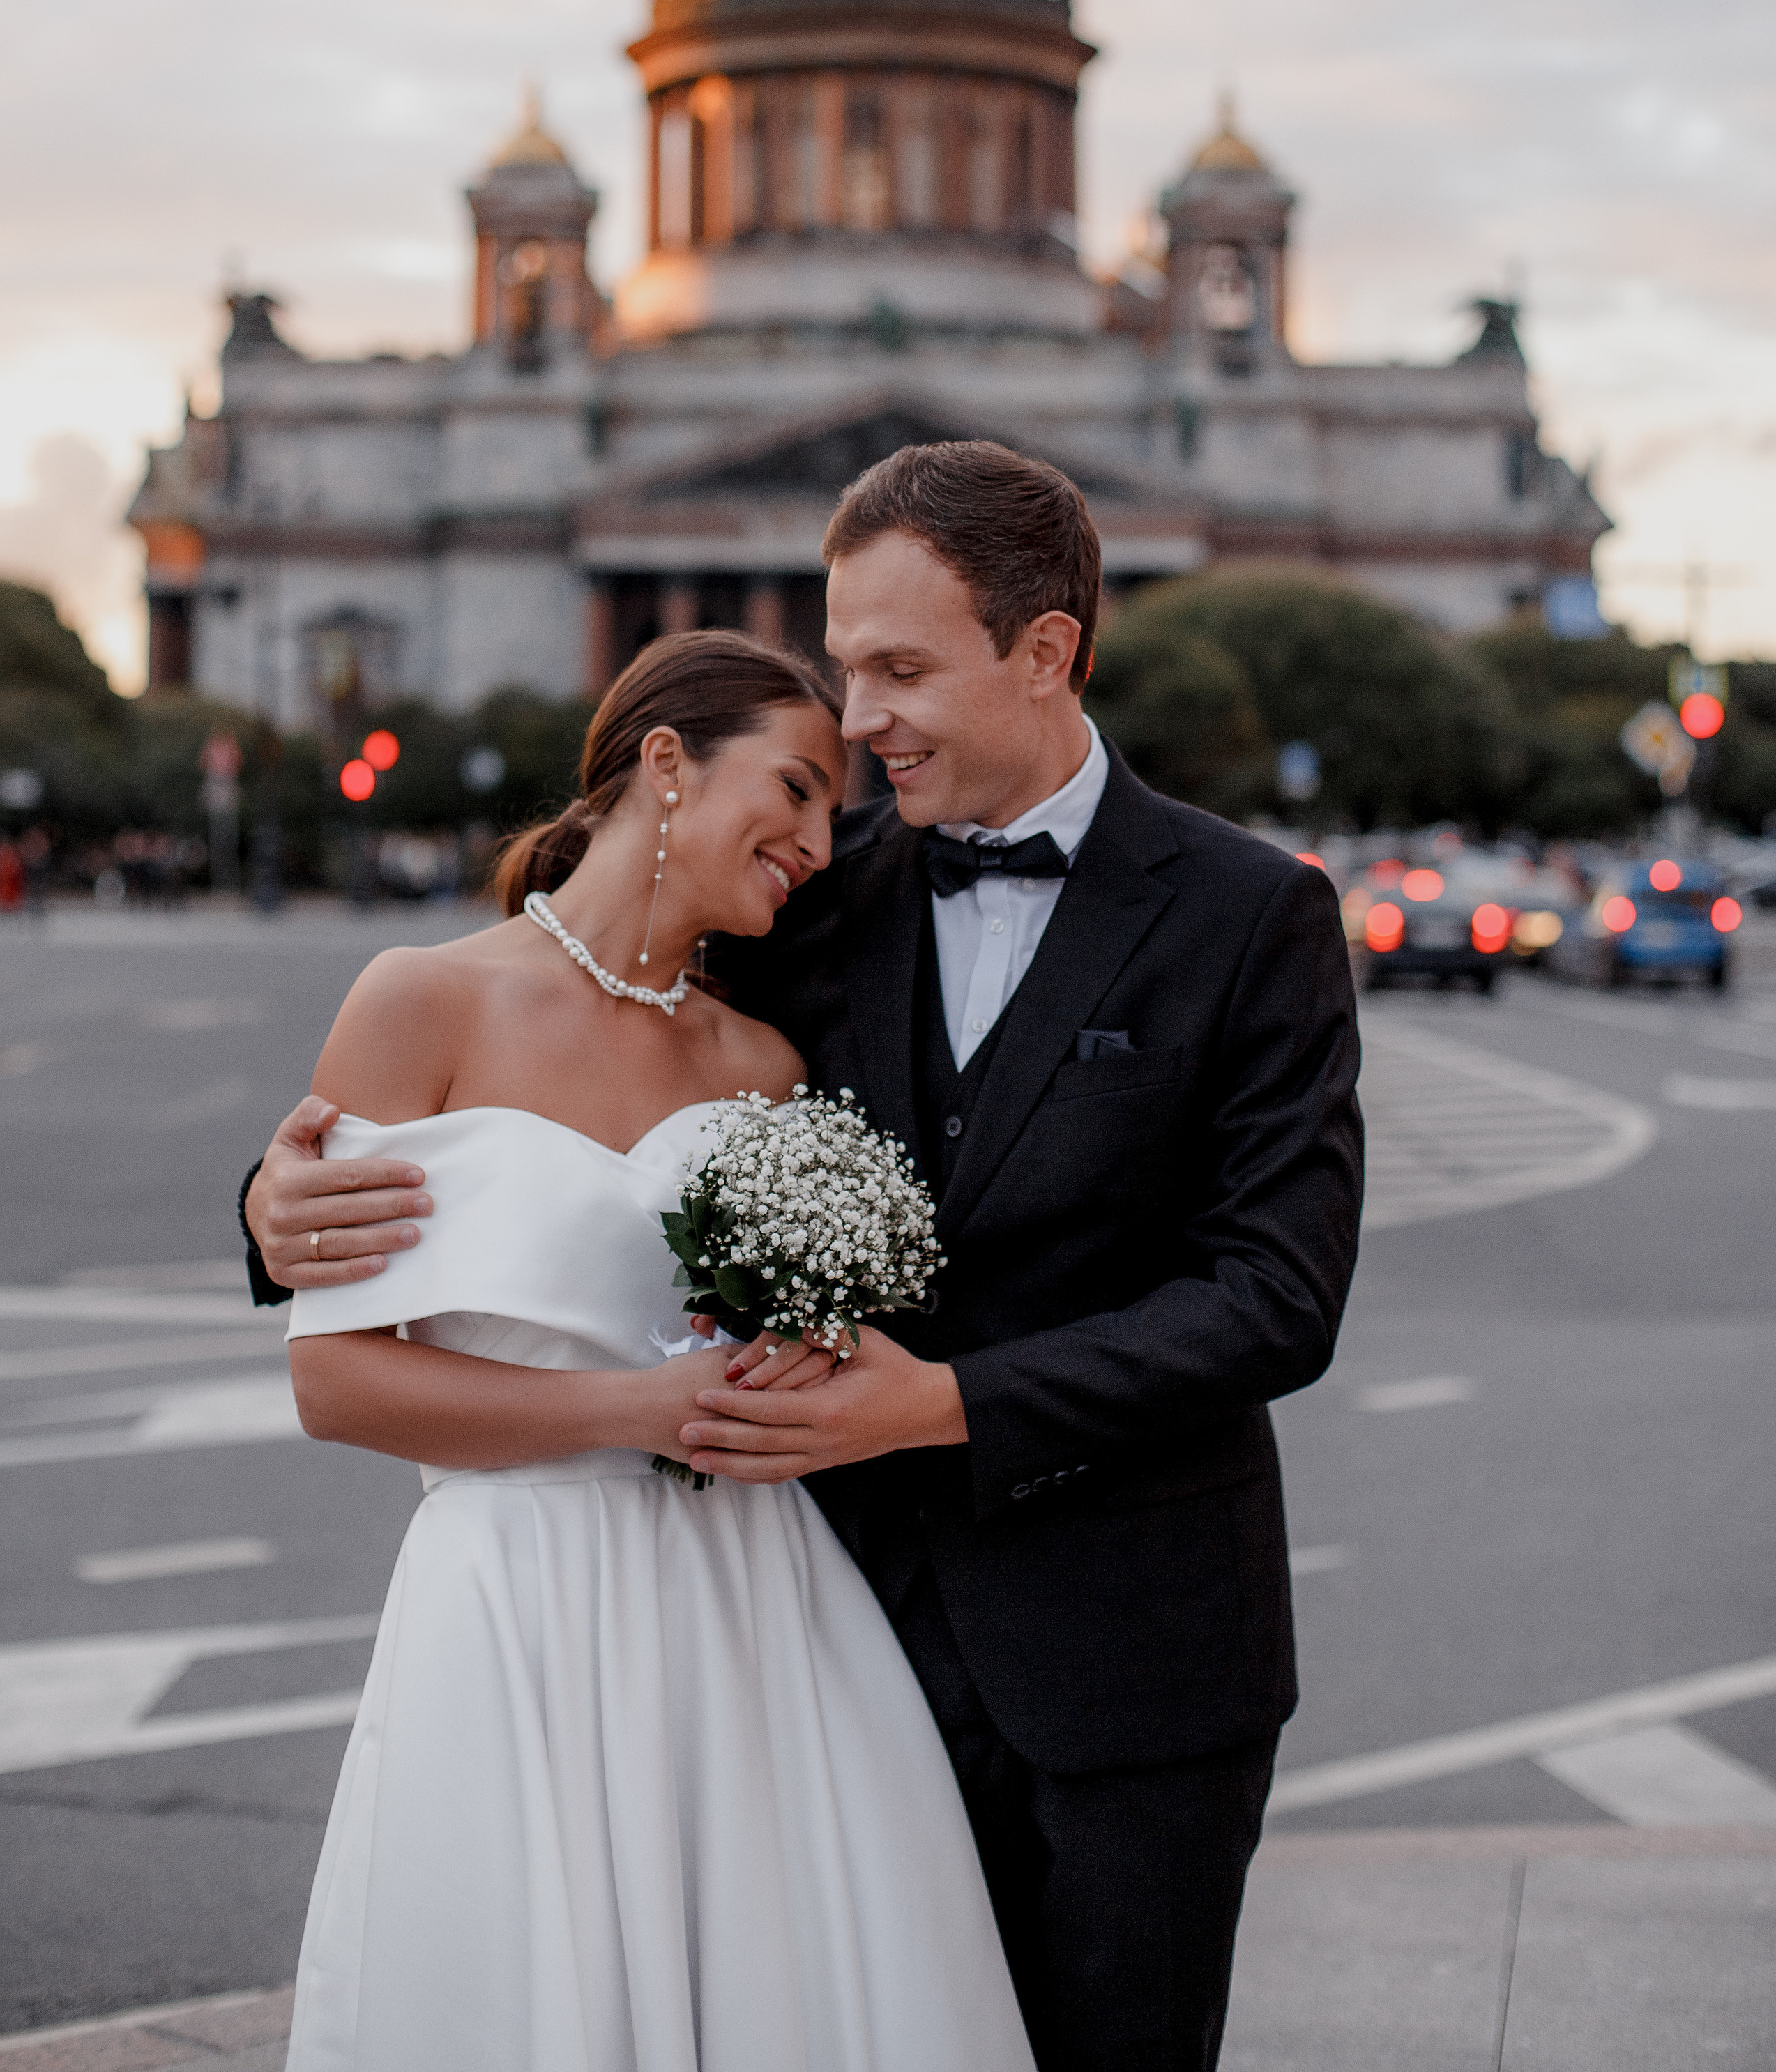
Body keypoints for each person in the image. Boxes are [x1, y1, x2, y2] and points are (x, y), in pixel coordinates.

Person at [244, 442, 1365, 2072]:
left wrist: (943, 1402)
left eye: (898, 669)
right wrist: (271, 1213)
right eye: (844, 668)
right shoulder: (817, 897)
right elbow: (542, 1087)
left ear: (1044, 653)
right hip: (830, 1644)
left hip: (1133, 1659)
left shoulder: (1252, 913)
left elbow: (1275, 1297)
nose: (855, 719)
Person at [272, 630, 1036, 2072]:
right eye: (798, 789)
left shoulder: (765, 1065)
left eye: (838, 806)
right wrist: (644, 1406)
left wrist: (811, 1367)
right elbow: (336, 1380)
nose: (820, 841)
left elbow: (819, 1323)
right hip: (516, 1596)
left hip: (752, 1599)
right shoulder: (420, 1000)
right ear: (667, 766)